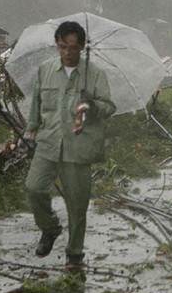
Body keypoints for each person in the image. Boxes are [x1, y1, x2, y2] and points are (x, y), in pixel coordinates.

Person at [24, 20, 115, 269]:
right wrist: (31, 133)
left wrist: (93, 104)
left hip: (78, 145)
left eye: (72, 48)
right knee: (33, 188)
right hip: (48, 142)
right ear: (57, 45)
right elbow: (37, 105)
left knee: (77, 204)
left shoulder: (94, 74)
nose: (67, 53)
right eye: (62, 47)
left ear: (82, 47)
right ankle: (50, 228)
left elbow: (109, 107)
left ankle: (74, 253)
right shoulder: (45, 70)